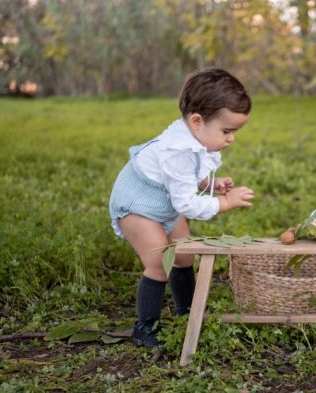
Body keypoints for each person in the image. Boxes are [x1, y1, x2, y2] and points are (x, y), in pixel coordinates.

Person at [109, 68, 255, 347]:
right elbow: (185, 202)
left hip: (165, 202)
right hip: (139, 205)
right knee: (158, 263)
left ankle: (186, 311)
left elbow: (185, 180)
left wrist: (209, 185)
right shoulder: (177, 150)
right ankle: (145, 327)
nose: (232, 138)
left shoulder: (196, 139)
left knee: (184, 256)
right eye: (227, 131)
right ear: (197, 121)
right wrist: (224, 202)